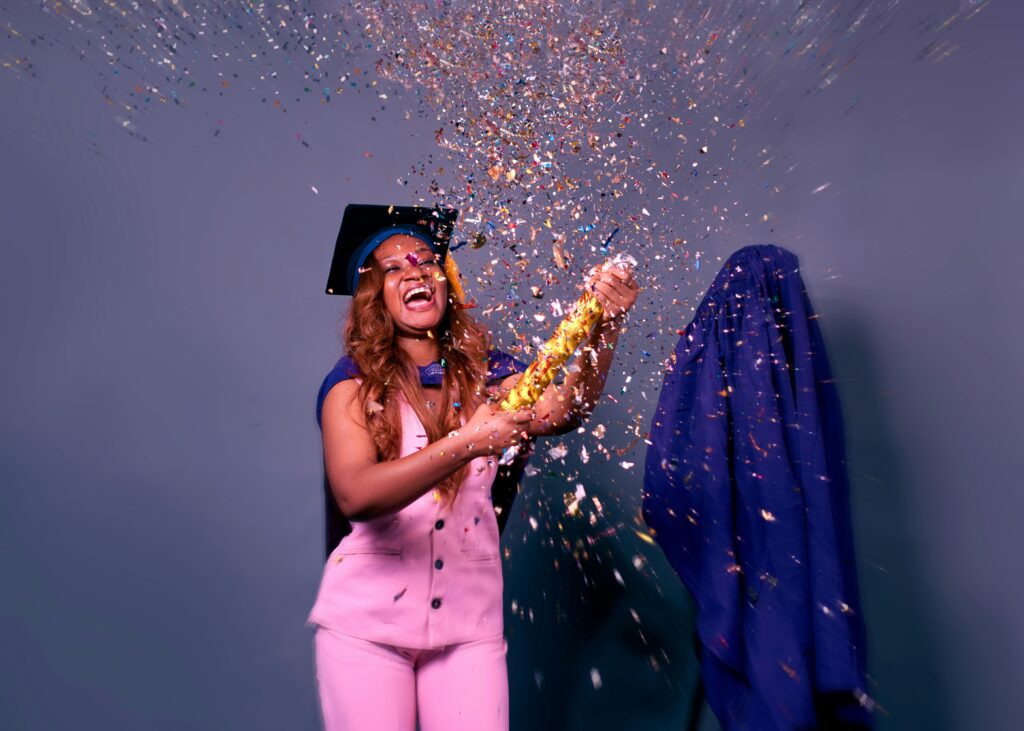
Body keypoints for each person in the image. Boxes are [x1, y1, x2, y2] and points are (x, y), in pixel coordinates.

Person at [306, 203, 639, 731]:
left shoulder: (490, 375)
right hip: (365, 630)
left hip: (469, 626)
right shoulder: (351, 388)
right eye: (393, 268)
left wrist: (603, 324)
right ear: (373, 297)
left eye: (425, 261)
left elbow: (562, 411)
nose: (414, 270)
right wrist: (466, 441)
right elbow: (357, 494)